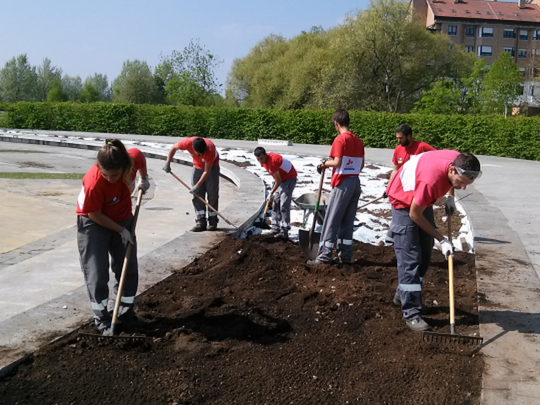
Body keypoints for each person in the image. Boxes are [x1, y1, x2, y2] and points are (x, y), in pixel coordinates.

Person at [385, 150, 481, 332]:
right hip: (404, 202)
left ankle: (403, 295)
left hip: (421, 200)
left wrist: (451, 197)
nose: (463, 188)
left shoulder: (456, 158)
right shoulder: (431, 181)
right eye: (461, 183)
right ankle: (411, 313)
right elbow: (414, 214)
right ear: (452, 170)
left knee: (425, 253)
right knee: (410, 259)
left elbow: (451, 181)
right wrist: (442, 238)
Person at [76, 139, 150, 335]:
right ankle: (102, 319)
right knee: (97, 271)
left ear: (125, 166)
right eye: (105, 174)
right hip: (93, 221)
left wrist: (144, 178)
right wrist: (120, 231)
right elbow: (94, 214)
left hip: (123, 216)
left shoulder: (131, 159)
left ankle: (125, 313)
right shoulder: (94, 182)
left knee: (127, 267)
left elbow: (140, 157)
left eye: (114, 175)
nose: (109, 178)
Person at [308, 109, 364, 265]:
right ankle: (345, 256)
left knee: (331, 219)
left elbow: (337, 162)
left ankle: (324, 256)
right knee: (347, 221)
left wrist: (323, 164)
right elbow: (361, 165)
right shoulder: (358, 141)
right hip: (355, 183)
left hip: (342, 184)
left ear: (336, 124)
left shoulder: (340, 140)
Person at [383, 125, 442, 245]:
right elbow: (396, 169)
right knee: (404, 216)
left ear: (409, 136)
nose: (399, 141)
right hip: (403, 191)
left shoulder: (422, 147)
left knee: (423, 215)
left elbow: (440, 160)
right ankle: (395, 236)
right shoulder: (398, 149)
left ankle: (428, 239)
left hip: (421, 191)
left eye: (401, 138)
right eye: (397, 138)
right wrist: (389, 187)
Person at [163, 137, 220, 232]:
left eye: (202, 153)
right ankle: (201, 221)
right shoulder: (186, 143)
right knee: (197, 195)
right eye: (199, 153)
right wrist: (167, 162)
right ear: (193, 149)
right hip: (197, 167)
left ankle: (213, 221)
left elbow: (206, 171)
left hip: (212, 167)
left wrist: (197, 186)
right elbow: (173, 148)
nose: (201, 155)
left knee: (212, 194)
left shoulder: (210, 149)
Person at [254, 147, 298, 240]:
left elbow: (278, 180)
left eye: (261, 158)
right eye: (258, 159)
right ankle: (275, 228)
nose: (260, 161)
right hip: (281, 179)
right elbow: (276, 178)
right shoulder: (265, 162)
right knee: (276, 203)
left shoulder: (272, 162)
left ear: (265, 155)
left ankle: (285, 231)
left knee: (284, 205)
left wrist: (271, 192)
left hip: (289, 178)